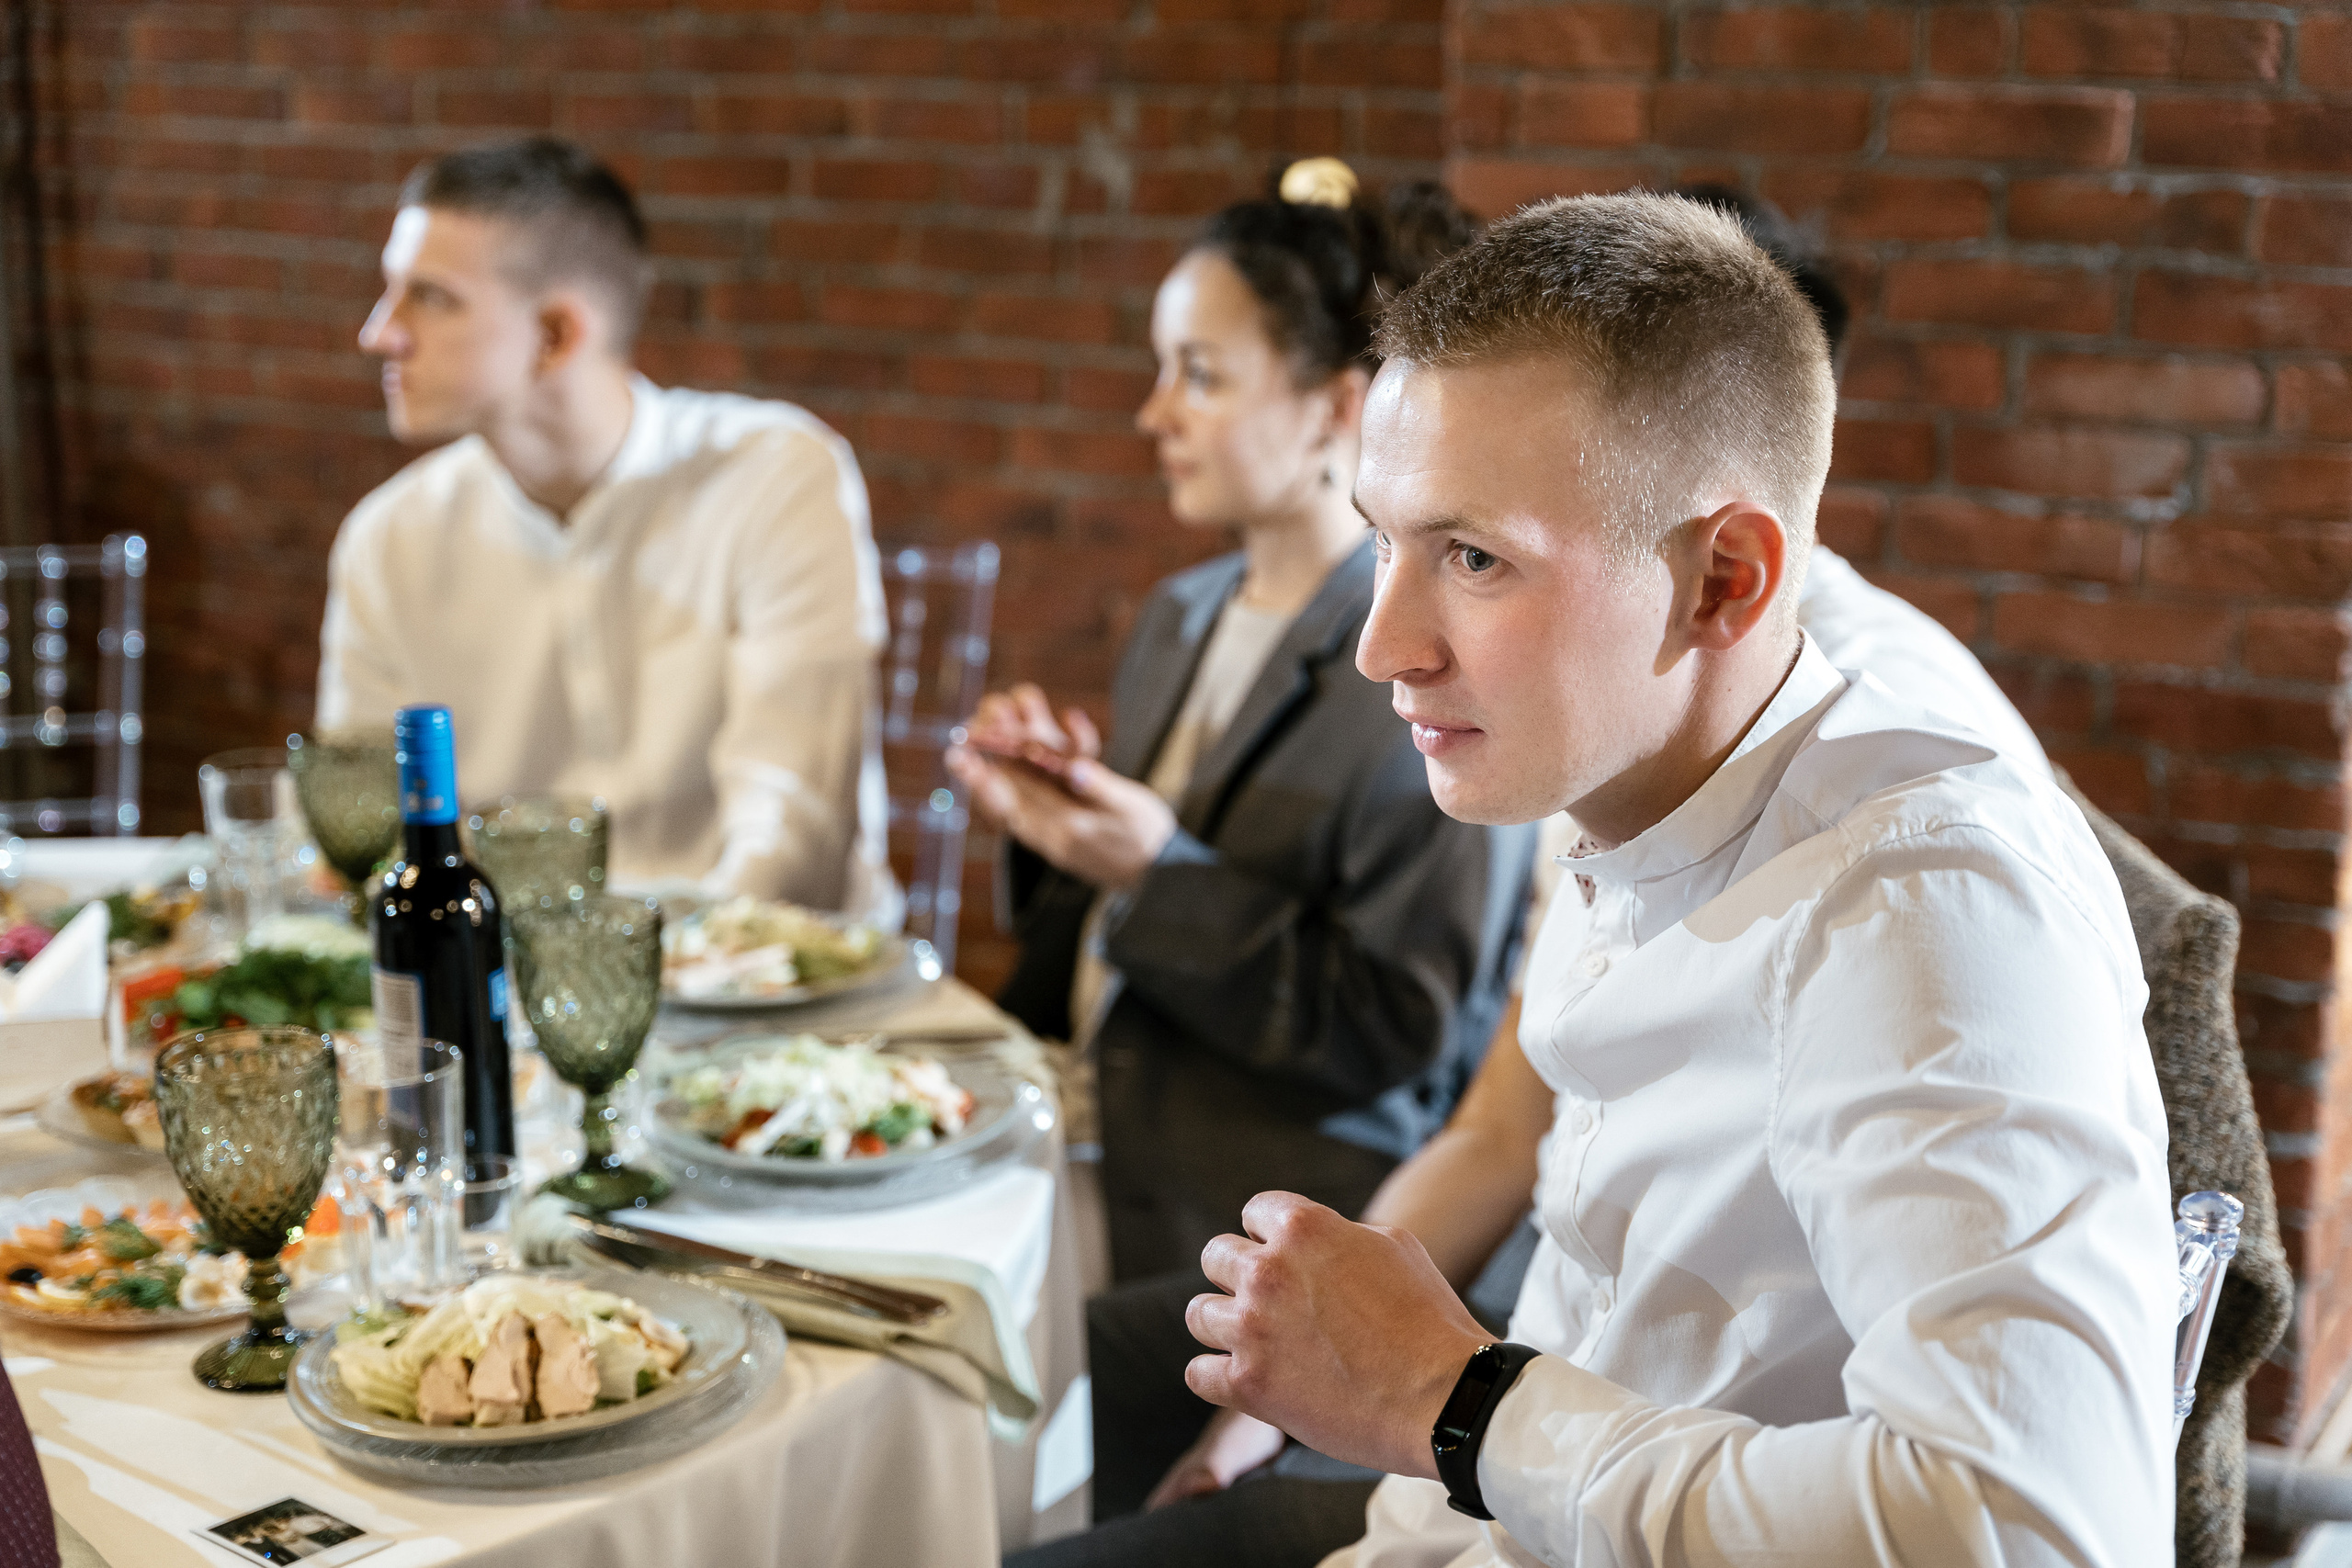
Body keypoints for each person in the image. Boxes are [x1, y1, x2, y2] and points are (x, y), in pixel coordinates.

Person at [1184, 193, 2177, 1567]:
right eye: (1385, 541)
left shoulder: (1915, 904)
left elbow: (2038, 1531)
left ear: (1725, 580)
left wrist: (1452, 1399)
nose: (1384, 645)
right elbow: (1592, 1341)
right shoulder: (1623, 786)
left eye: (1474, 557)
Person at [948, 161, 1536, 1531]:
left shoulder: (1418, 665)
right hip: (1079, 1132)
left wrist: (1155, 871)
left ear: (1339, 406)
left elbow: (1402, 1035)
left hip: (1248, 1201)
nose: (1155, 414)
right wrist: (1050, 821)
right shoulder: (1181, 608)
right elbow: (1104, 926)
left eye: (1199, 375)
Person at [315, 137, 892, 916]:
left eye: (431, 297)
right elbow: (364, 833)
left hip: (769, 986)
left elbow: (793, 840)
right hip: (503, 989)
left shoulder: (776, 475)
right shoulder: (390, 536)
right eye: (391, 291)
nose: (380, 332)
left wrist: (685, 975)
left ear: (555, 334)